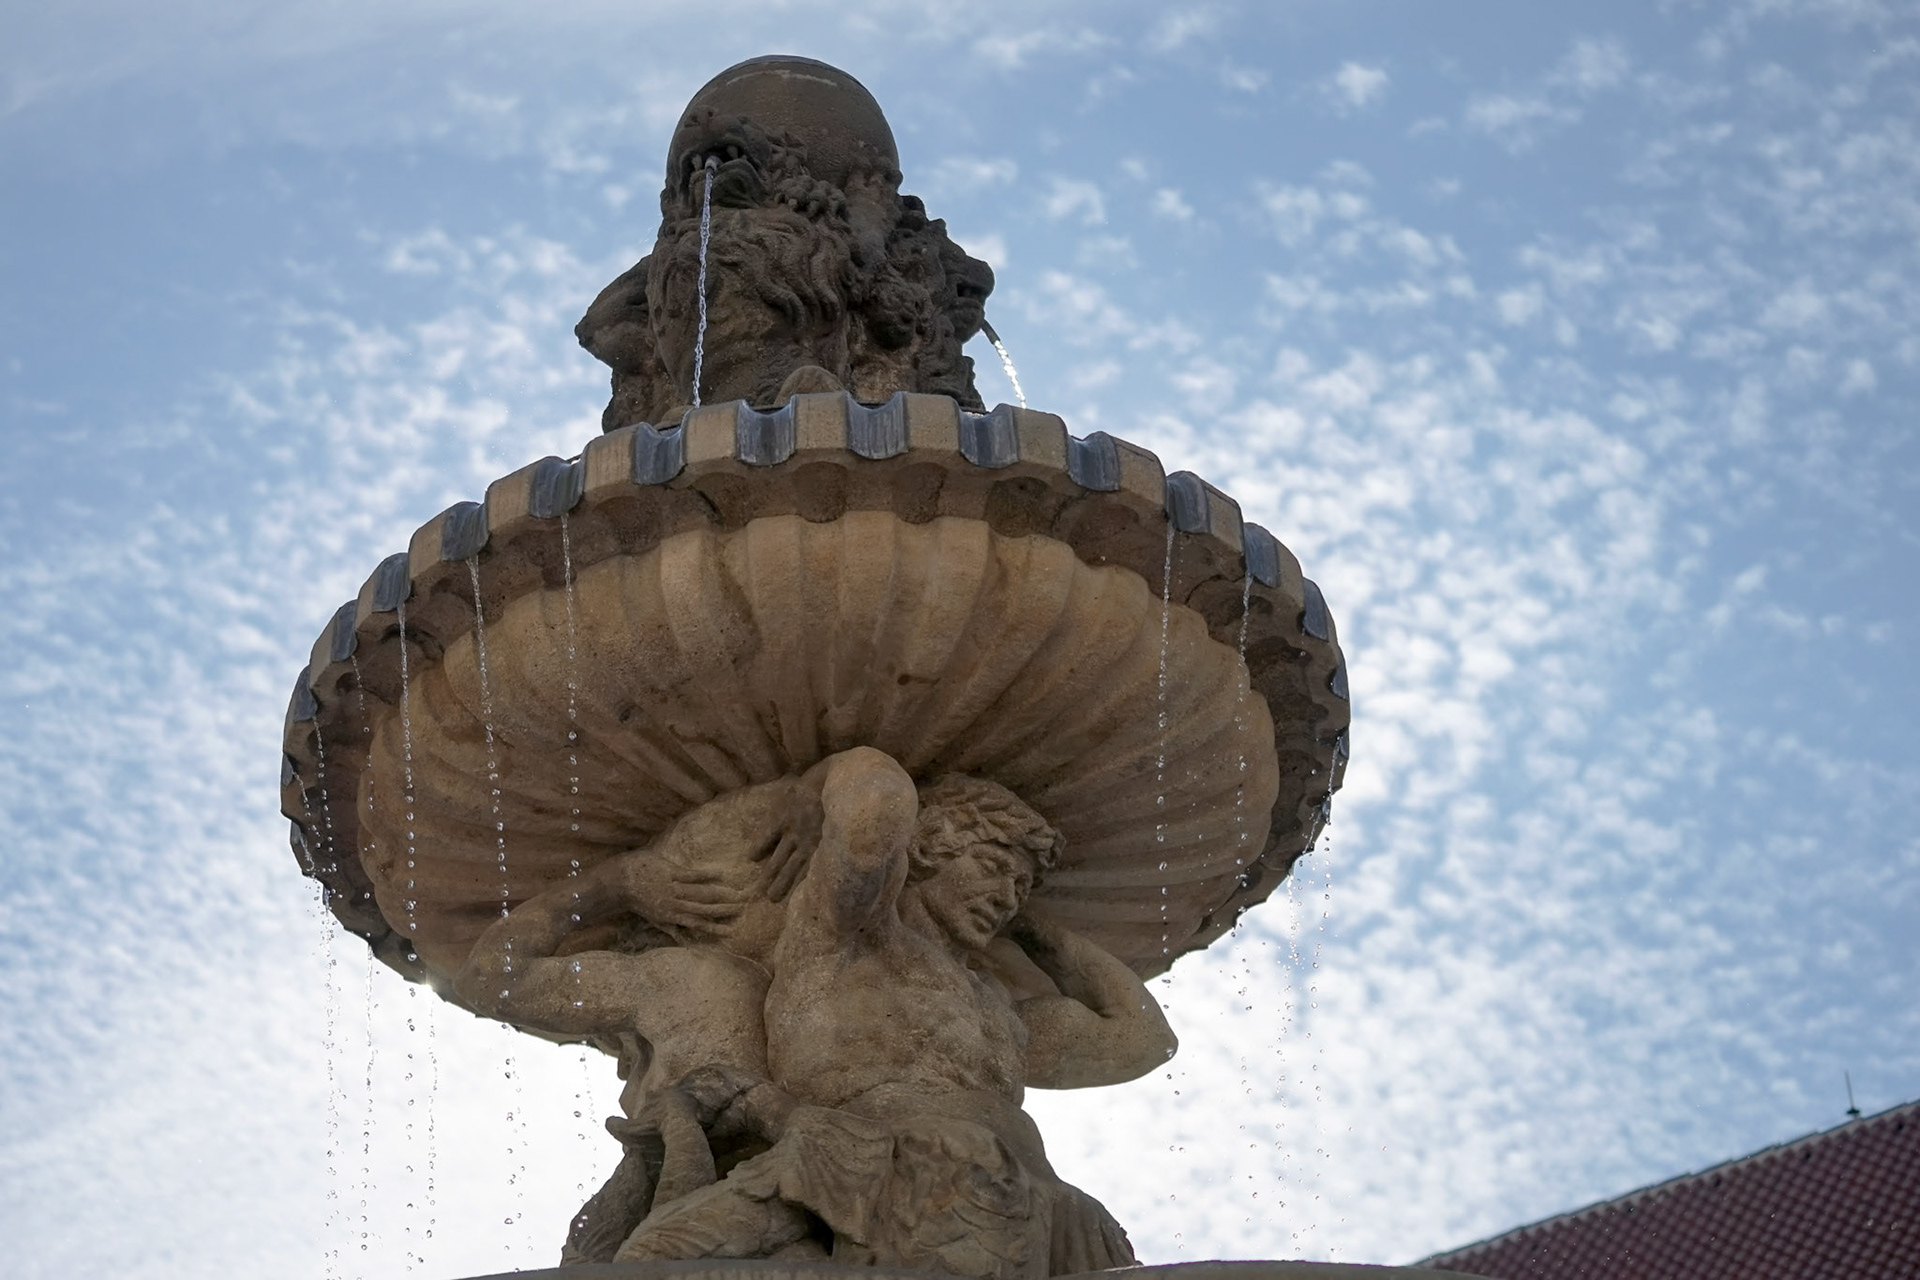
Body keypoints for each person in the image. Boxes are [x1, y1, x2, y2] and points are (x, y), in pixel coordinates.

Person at [613, 748, 1174, 1278]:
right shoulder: (853, 937)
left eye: (1020, 886)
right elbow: (874, 813)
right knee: (654, 1259)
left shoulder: (998, 1009)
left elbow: (1143, 1038)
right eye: (990, 867)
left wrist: (1031, 928)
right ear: (927, 849)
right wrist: (821, 782)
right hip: (876, 1169)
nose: (1006, 895)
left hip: (1045, 1202)